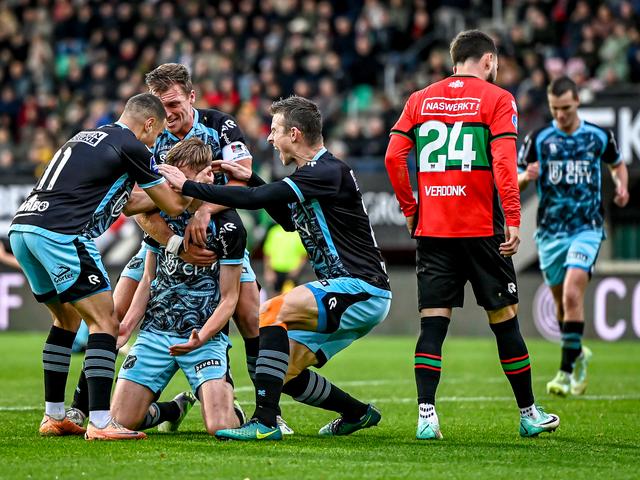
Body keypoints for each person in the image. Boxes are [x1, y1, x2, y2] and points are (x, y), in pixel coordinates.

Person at [66, 63, 286, 432]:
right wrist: (172, 241)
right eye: (159, 105)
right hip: (159, 242)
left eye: (172, 104)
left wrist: (204, 211)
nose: (166, 114)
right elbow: (133, 203)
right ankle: (80, 406)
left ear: (191, 97)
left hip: (219, 239)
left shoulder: (219, 125)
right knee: (112, 316)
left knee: (249, 315)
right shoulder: (146, 135)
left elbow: (242, 178)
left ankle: (266, 411)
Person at [159, 96, 392, 442]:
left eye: (275, 130)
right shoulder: (312, 175)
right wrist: (252, 178)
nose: (269, 138)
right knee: (284, 373)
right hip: (349, 290)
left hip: (361, 288)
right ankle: (357, 413)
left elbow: (257, 201)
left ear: (294, 134)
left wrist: (189, 186)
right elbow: (287, 222)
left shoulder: (327, 170)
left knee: (269, 313)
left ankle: (266, 422)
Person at [384, 29, 559, 440]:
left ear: (453, 61)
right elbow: (503, 162)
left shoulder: (419, 99)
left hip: (434, 230)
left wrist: (412, 209)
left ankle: (427, 417)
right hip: (482, 230)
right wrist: (513, 218)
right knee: (505, 323)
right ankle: (528, 413)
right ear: (488, 61)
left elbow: (394, 157)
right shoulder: (498, 100)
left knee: (432, 325)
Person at [9, 93, 189, 440]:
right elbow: (172, 204)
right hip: (63, 233)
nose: (154, 141)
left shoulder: (86, 138)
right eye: (156, 132)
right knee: (106, 322)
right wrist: (186, 186)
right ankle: (103, 423)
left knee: (66, 319)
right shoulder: (133, 146)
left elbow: (127, 202)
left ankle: (54, 415)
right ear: (148, 124)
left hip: (24, 229)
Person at [110, 138, 245, 436]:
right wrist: (128, 325)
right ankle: (174, 409)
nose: (170, 185)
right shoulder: (159, 215)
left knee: (220, 428)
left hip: (204, 337)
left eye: (178, 179)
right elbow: (148, 278)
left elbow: (229, 298)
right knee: (120, 422)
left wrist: (203, 337)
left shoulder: (228, 226)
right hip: (156, 332)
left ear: (206, 176)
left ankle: (230, 405)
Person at [518, 76, 629, 397]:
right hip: (550, 232)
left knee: (571, 295)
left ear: (577, 101)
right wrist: (527, 176)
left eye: (566, 108)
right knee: (561, 306)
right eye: (555, 109)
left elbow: (617, 165)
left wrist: (621, 186)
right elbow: (514, 177)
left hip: (586, 229)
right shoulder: (539, 138)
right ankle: (578, 354)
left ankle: (565, 373)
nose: (561, 115)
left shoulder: (597, 136)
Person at [262, 223, 308, 295]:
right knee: (275, 297)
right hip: (276, 270)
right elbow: (267, 253)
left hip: (291, 272)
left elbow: (303, 255)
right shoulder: (274, 231)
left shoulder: (297, 233)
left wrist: (297, 269)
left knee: (289, 297)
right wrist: (269, 271)